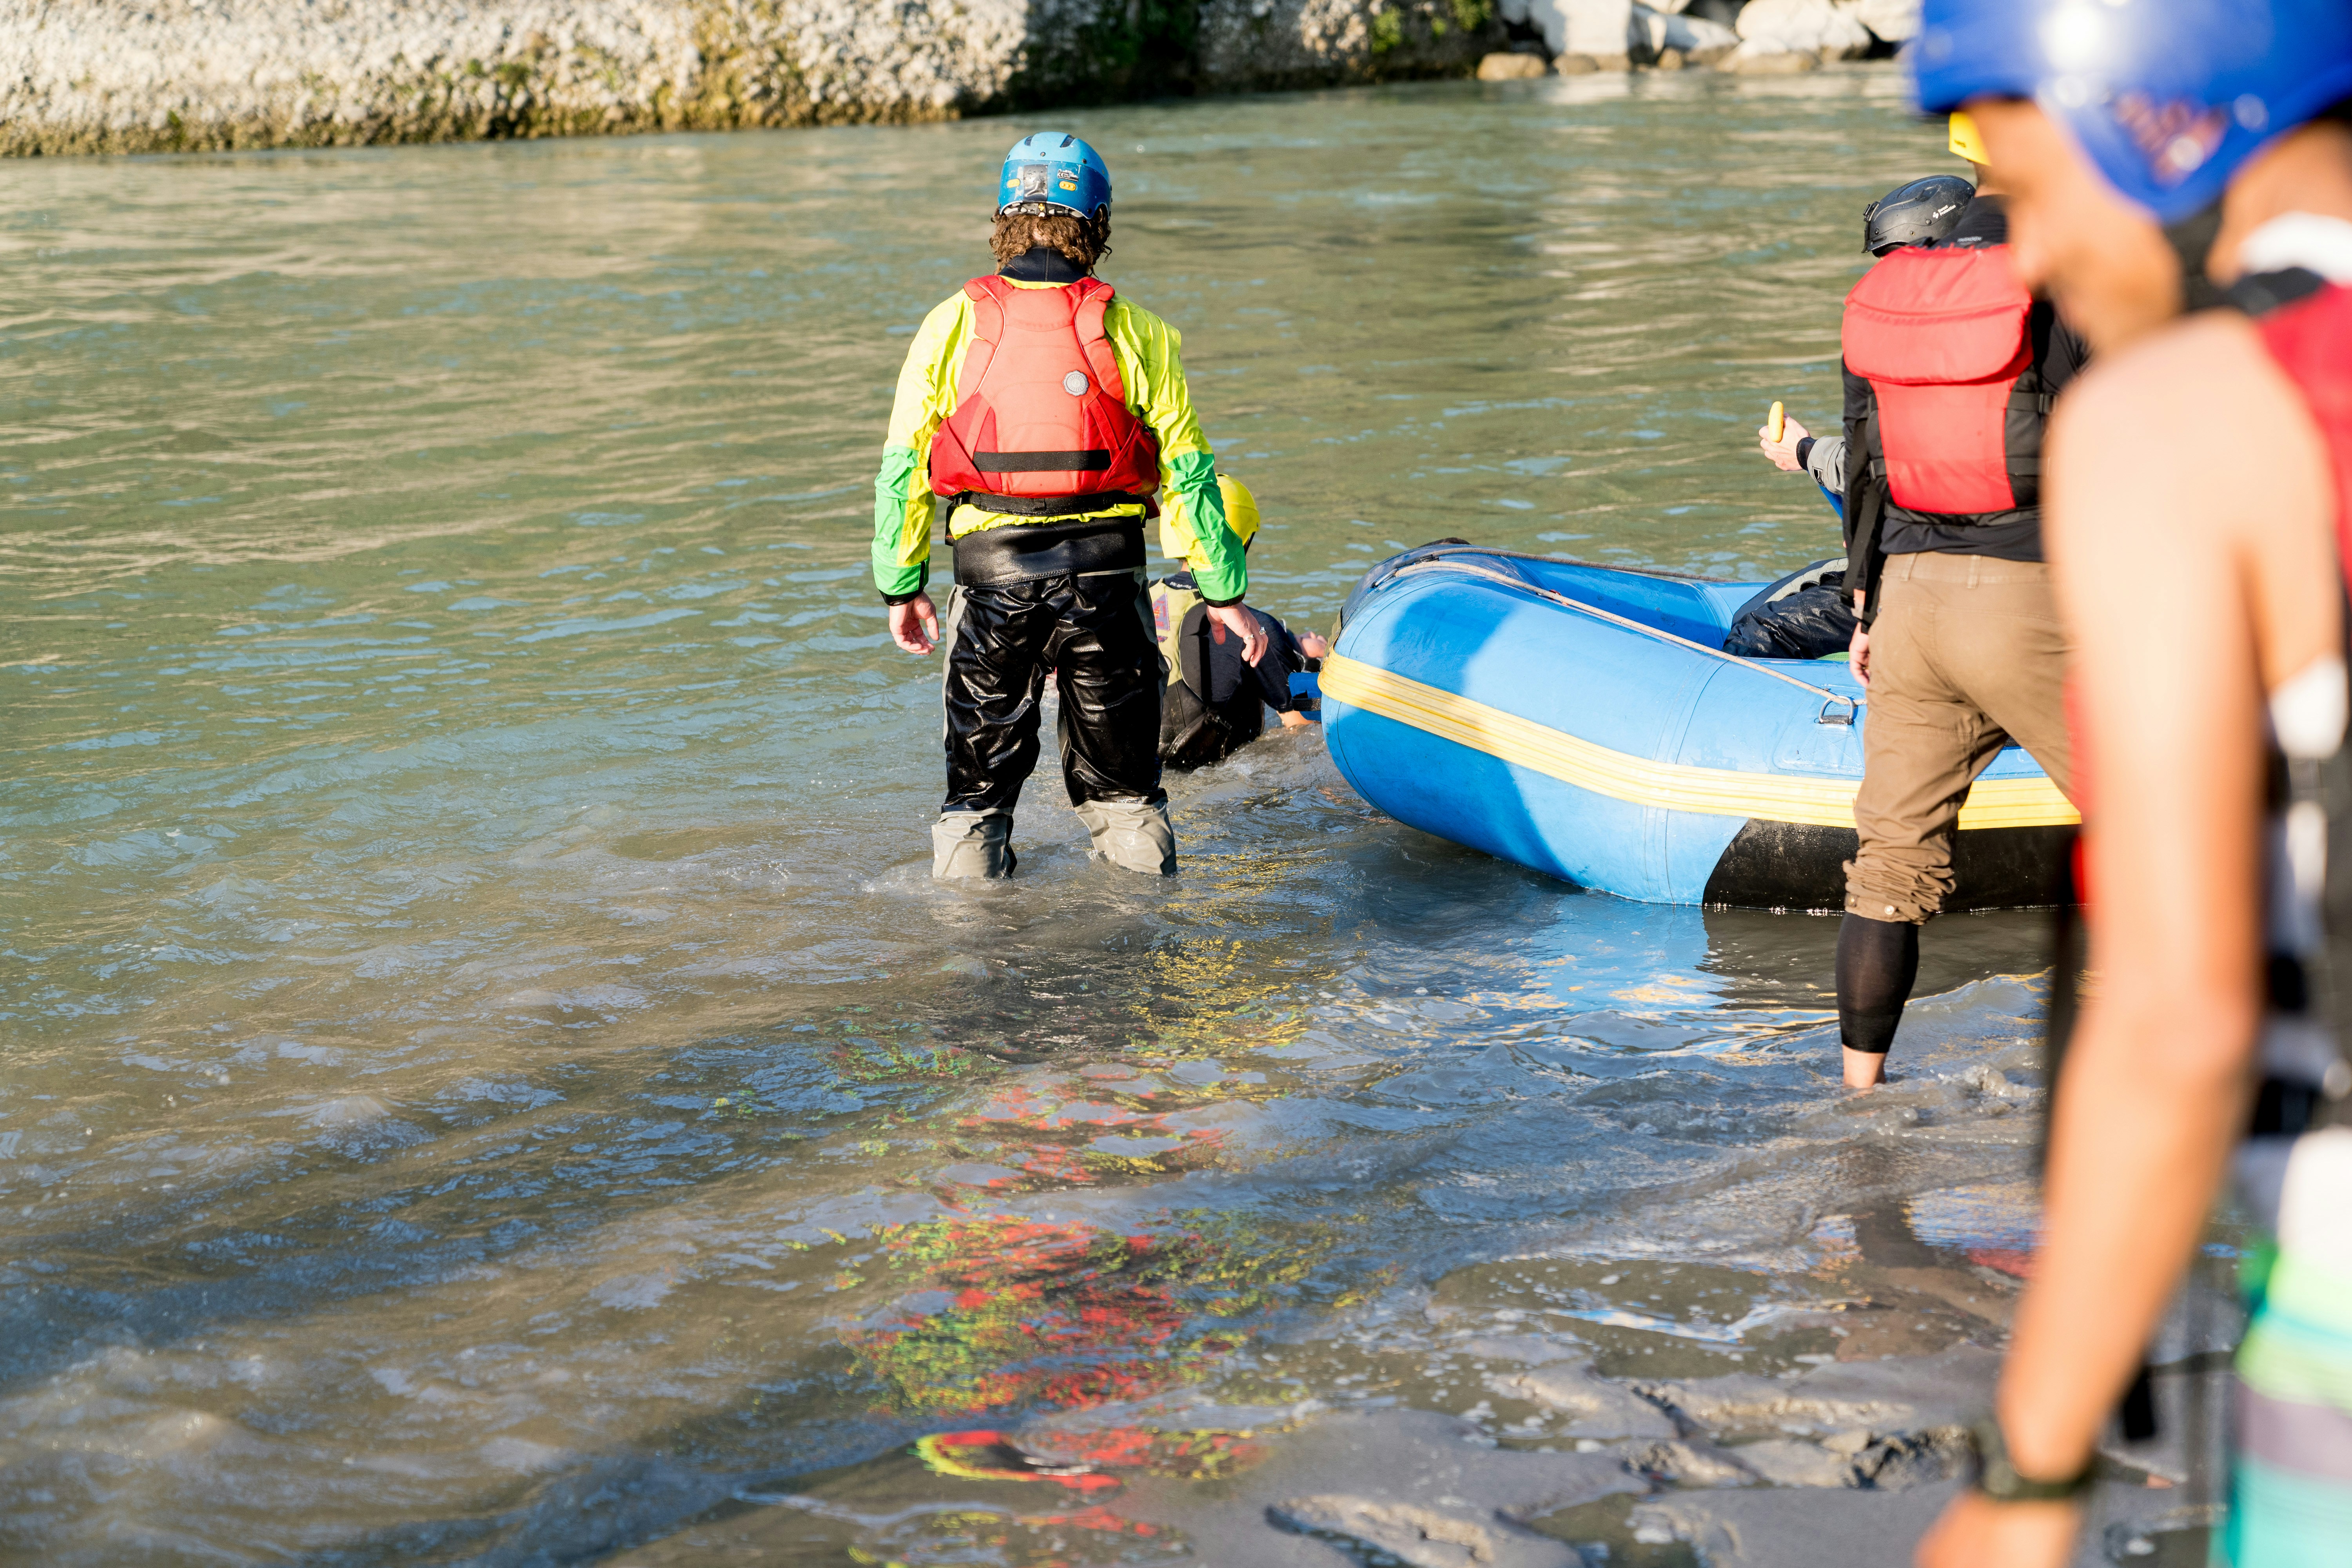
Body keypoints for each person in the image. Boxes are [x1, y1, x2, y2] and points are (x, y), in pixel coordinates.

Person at [1902, 3, 2352, 1565]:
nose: (2023, 266)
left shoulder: (2178, 422)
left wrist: (2031, 1478)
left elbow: (2179, 1011)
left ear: (2165, 123)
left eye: (2029, 189)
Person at [872, 132, 1267, 879]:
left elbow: (903, 468)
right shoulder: (1140, 331)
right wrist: (1223, 594)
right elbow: (1188, 469)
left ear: (1003, 219)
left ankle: (967, 967)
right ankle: (1146, 959)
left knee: (977, 801)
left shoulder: (950, 324)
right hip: (1107, 587)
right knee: (1125, 799)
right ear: (1099, 223)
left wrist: (903, 584)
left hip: (991, 585)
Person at [1815, 110, 2091, 1091]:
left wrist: (1863, 605)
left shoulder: (1894, 288)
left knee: (1889, 870)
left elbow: (1867, 465)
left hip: (1911, 601)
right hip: (2035, 593)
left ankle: (1858, 1103)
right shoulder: (2075, 265)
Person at [1731, 170, 1979, 661]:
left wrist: (1803, 452)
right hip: (1991, 562)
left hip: (1942, 576)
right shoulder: (2008, 327)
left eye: (1896, 262)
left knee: (1758, 631)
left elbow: (1881, 469)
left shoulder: (1930, 348)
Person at [1151, 474, 1330, 768]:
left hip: (1139, 767)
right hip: (1214, 774)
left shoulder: (1136, 600)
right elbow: (1303, 725)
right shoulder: (1253, 629)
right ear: (1243, 540)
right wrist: (1314, 662)